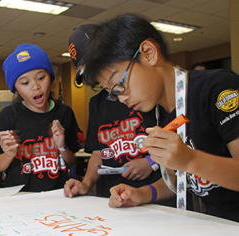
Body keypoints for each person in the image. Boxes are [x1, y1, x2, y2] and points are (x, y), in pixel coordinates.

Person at [82, 13, 239, 222]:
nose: (121, 98)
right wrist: (142, 194)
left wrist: (191, 160)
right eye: (113, 92)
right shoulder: (157, 112)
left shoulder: (218, 88)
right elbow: (181, 180)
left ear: (148, 53)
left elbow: (191, 165)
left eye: (119, 85)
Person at [64, 24, 166, 203]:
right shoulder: (96, 103)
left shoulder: (146, 92)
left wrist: (150, 162)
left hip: (155, 196)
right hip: (111, 198)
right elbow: (98, 152)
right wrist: (86, 184)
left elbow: (177, 141)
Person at [0, 44, 80, 192]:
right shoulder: (9, 115)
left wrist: (62, 147)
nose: (35, 86)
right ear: (16, 89)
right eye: (25, 83)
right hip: (20, 195)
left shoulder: (64, 112)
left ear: (50, 79)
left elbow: (72, 161)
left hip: (57, 193)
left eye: (41, 77)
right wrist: (9, 154)